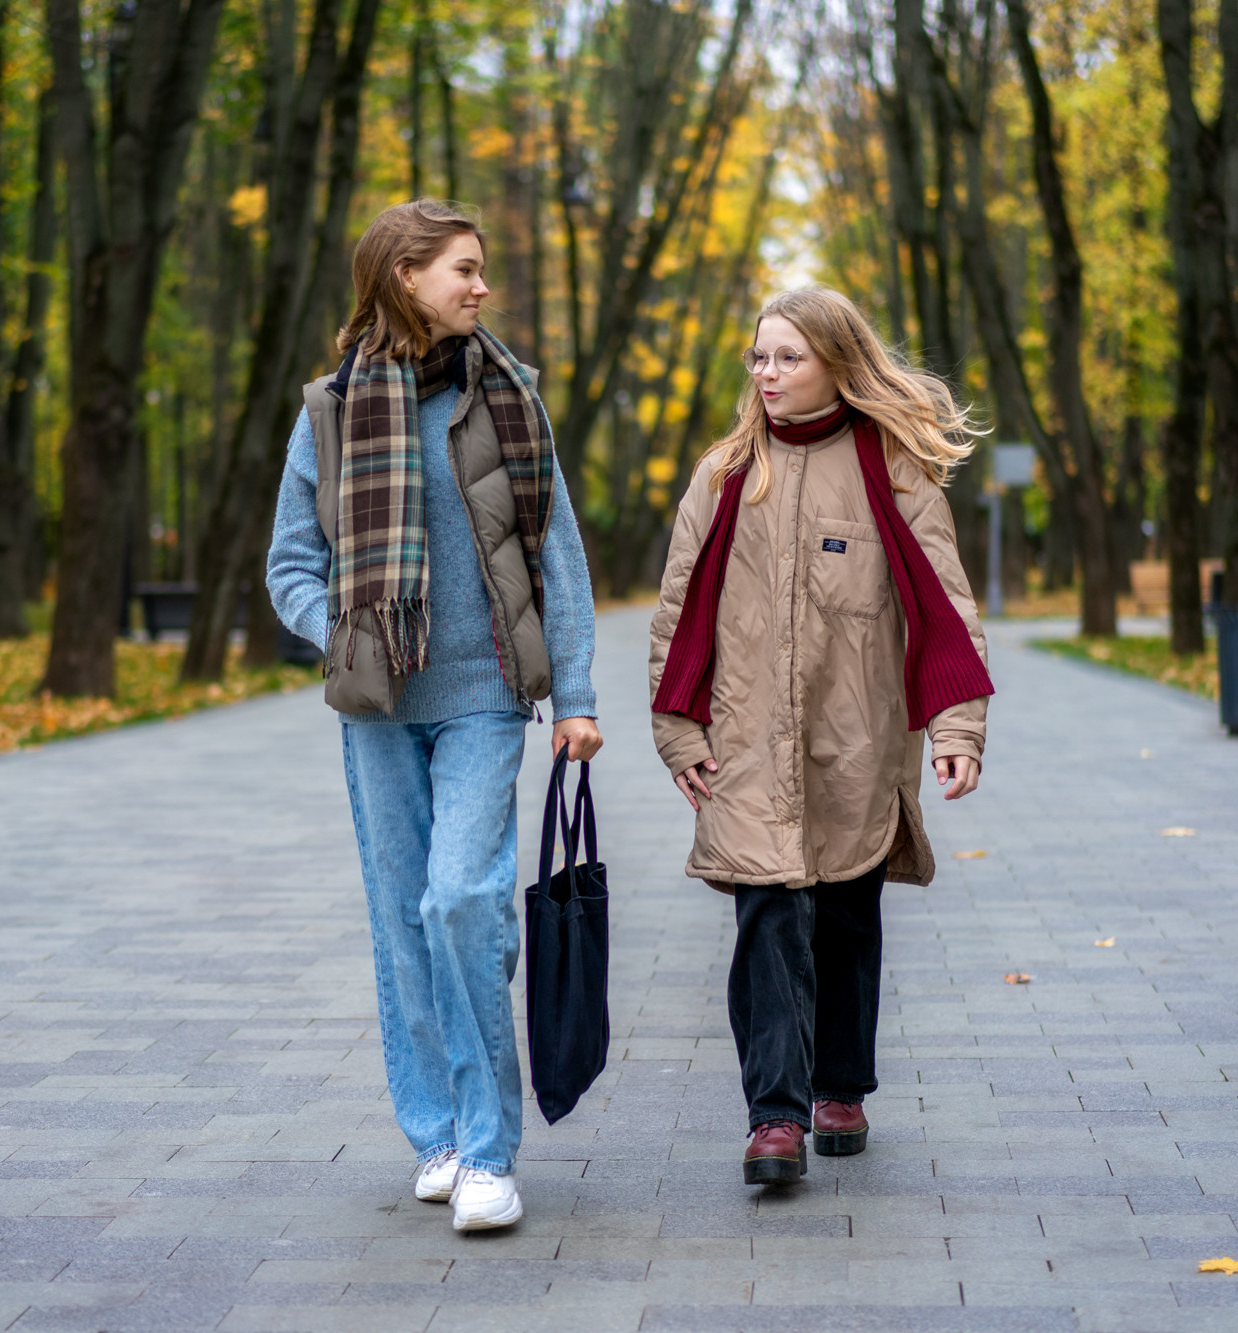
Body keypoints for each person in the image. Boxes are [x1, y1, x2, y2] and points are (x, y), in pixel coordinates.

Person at [267, 199, 601, 1232]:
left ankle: (492, 1151)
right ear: (403, 275)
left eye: (481, 268)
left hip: (484, 696)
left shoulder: (509, 400)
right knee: (404, 916)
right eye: (462, 268)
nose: (480, 286)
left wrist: (575, 699)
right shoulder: (328, 410)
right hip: (375, 705)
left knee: (460, 901)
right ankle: (439, 1135)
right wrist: (342, 628)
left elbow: (559, 558)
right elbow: (289, 565)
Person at [648, 287, 992, 1186]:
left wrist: (958, 727)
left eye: (788, 357)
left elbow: (946, 607)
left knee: (843, 910)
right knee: (766, 911)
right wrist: (679, 731)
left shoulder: (895, 469)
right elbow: (677, 612)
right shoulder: (724, 474)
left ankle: (841, 1086)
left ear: (837, 362)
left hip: (857, 736)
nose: (767, 373)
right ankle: (775, 1115)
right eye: (759, 357)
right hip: (745, 739)